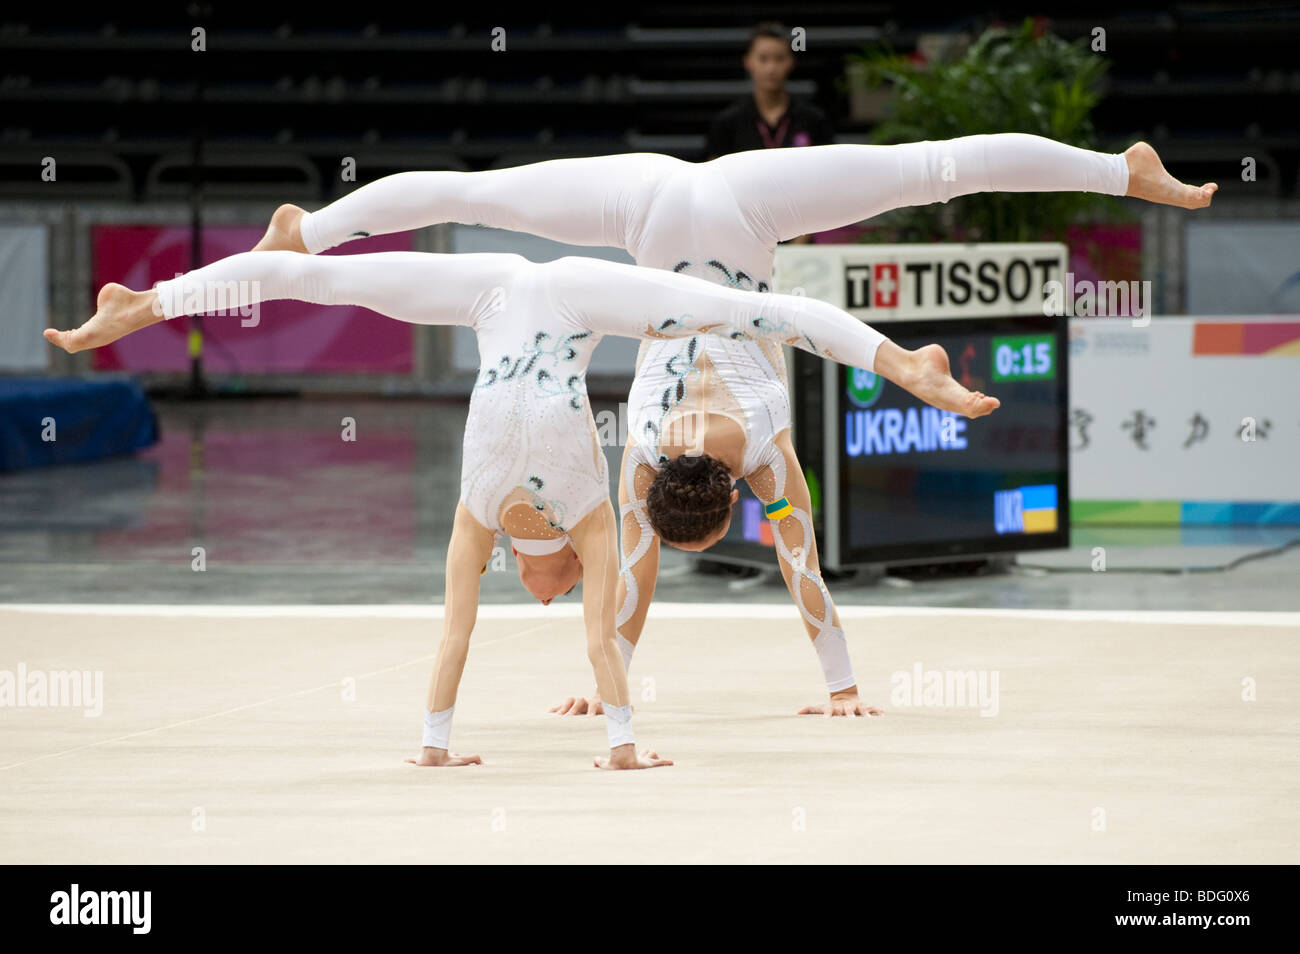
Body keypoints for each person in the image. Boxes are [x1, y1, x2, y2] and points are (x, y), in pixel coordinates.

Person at [227, 134, 1213, 719]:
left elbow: (798, 572)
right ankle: (304, 236)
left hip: (723, 218)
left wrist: (839, 686)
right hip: (666, 210)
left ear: (723, 493)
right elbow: (634, 575)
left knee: (931, 170)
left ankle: (304, 231)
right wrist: (607, 673)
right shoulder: (645, 458)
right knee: (934, 168)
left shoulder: (769, 457)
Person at [45, 245, 996, 766]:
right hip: (666, 289)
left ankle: (156, 300)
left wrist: (617, 668)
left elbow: (645, 567)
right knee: (757, 311)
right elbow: (782, 563)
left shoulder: (653, 477)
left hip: (549, 287)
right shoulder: (767, 459)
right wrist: (834, 685)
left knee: (323, 274)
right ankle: (903, 361)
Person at [706, 21, 835, 159]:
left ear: (791, 62)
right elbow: (714, 172)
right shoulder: (727, 123)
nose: (771, 68)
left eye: (779, 59)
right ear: (748, 62)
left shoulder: (813, 120)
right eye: (763, 59)